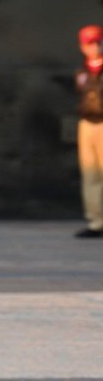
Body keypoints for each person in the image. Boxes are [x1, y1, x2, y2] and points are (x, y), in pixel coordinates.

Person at [78, 23, 103, 238]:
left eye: (97, 43)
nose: (94, 47)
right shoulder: (82, 70)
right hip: (87, 123)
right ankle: (96, 221)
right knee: (90, 174)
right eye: (89, 43)